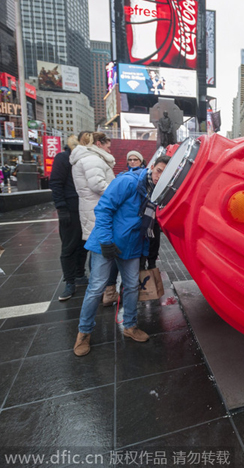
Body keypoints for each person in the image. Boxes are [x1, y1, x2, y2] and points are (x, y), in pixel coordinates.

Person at [73, 156, 171, 357]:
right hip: (107, 242)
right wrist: (107, 241)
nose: (160, 176)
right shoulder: (128, 181)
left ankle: (130, 325)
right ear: (151, 167)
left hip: (131, 245)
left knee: (132, 286)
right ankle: (84, 333)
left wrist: (145, 253)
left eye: (165, 174)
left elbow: (147, 224)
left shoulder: (157, 192)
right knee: (96, 287)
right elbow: (103, 209)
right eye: (159, 170)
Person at [70, 132, 118, 305]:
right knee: (103, 252)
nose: (109, 149)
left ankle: (100, 291)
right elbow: (98, 185)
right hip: (100, 211)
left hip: (91, 210)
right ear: (99, 143)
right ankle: (104, 292)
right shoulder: (92, 159)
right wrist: (118, 193)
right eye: (107, 145)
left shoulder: (83, 158)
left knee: (96, 251)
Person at [49, 135, 89, 301]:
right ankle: (69, 282)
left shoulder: (86, 159)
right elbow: (56, 183)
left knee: (83, 244)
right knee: (69, 247)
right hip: (70, 210)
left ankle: (80, 274)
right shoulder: (63, 158)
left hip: (84, 209)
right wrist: (61, 207)